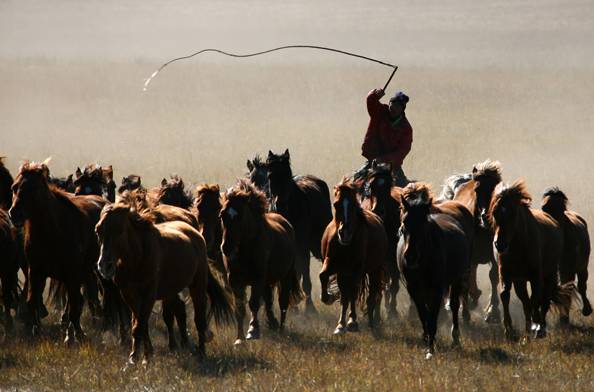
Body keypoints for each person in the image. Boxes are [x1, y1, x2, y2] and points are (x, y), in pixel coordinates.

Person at [360, 88, 413, 187]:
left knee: (404, 190)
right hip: (372, 162)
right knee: (354, 183)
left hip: (393, 167)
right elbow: (371, 102)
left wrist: (383, 159)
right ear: (389, 105)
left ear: (402, 110)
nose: (393, 110)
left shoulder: (406, 128)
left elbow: (402, 152)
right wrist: (375, 95)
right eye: (392, 107)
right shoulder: (380, 112)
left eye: (397, 107)